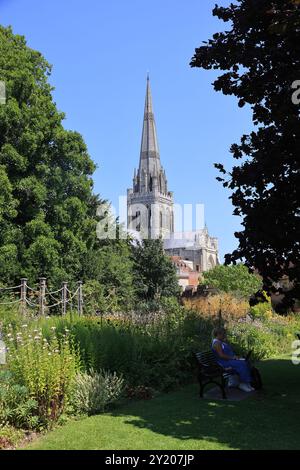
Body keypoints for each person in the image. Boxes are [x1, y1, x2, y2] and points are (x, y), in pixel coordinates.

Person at [211, 326, 254, 392]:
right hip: (223, 363)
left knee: (246, 362)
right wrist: (233, 358)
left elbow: (227, 353)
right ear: (218, 334)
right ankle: (242, 383)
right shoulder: (217, 343)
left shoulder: (221, 342)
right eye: (223, 334)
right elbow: (221, 355)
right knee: (242, 364)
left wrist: (236, 357)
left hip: (228, 360)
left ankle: (246, 383)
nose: (225, 335)